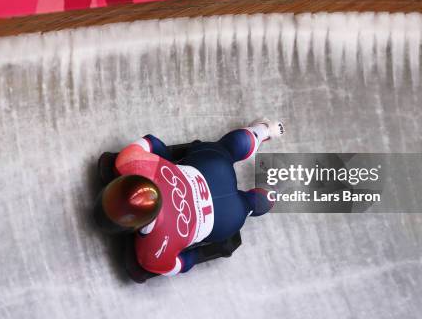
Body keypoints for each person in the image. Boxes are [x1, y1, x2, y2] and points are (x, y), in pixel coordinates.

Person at [96, 118, 284, 276]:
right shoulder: (130, 161)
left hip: (221, 219)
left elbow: (186, 262)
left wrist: (199, 249)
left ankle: (274, 193)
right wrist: (163, 159)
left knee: (247, 205)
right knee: (226, 150)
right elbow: (152, 142)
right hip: (210, 168)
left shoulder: (153, 255)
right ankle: (264, 130)